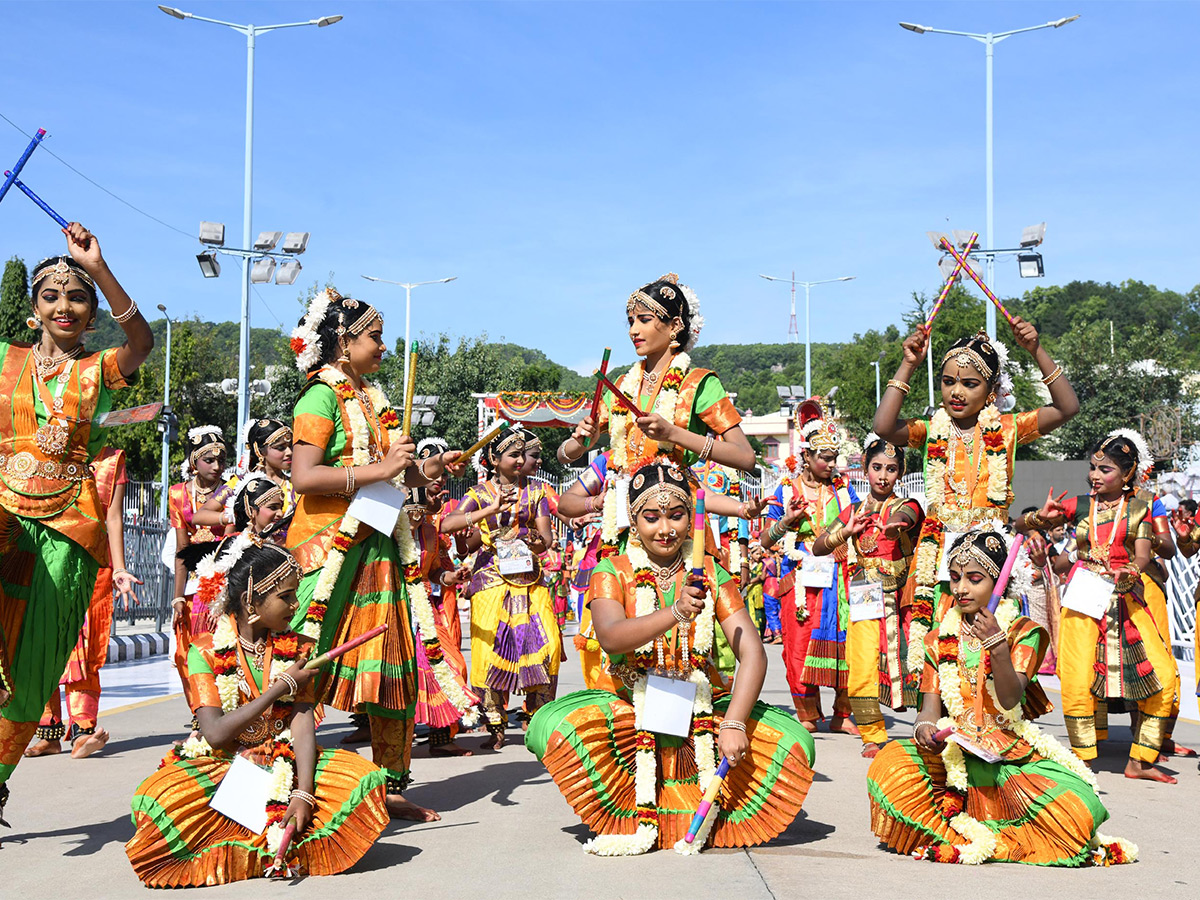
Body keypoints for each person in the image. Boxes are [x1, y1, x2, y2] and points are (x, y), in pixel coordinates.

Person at [528, 461, 816, 855]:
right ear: (633, 519)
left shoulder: (710, 572)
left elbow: (752, 651)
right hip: (632, 706)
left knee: (796, 743)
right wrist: (677, 612)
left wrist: (733, 722)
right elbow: (611, 638)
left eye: (677, 515)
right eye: (651, 517)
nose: (665, 529)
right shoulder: (612, 570)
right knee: (552, 725)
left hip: (699, 704)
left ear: (691, 519)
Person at [286, 288, 463, 821]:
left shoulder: (374, 397)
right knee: (300, 661)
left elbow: (396, 472)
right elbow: (303, 477)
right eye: (375, 337)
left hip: (383, 549)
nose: (384, 347)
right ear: (343, 342)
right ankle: (282, 777)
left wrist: (425, 470)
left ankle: (387, 785)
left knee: (395, 667)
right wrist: (381, 470)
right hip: (329, 549)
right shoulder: (317, 398)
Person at [0, 226, 153, 831]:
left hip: (68, 528)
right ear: (33, 306)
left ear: (91, 314)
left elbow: (140, 341)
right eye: (51, 295)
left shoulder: (97, 369)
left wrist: (102, 267)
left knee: (34, 669)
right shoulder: (5, 361)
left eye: (78, 297)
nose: (64, 306)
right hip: (3, 516)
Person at [126, 538, 388, 886]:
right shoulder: (203, 650)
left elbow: (302, 720)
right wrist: (282, 687)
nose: (296, 605)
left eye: (295, 594)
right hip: (224, 766)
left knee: (364, 781)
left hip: (286, 761)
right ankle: (263, 840)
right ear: (251, 601)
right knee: (158, 798)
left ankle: (273, 830)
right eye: (286, 596)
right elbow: (216, 733)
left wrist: (303, 793)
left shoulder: (300, 647)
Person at [867, 529, 1136, 866]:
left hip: (1007, 752)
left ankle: (990, 834)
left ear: (998, 583)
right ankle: (964, 830)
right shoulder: (939, 638)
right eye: (955, 578)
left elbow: (1009, 699)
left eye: (974, 578)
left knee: (1078, 809)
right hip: (955, 751)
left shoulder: (1024, 631)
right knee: (887, 767)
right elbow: (929, 709)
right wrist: (924, 731)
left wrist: (996, 644)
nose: (961, 588)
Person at [873, 322, 1078, 676]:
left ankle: (986, 720)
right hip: (939, 556)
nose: (957, 392)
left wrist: (1036, 351)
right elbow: (883, 426)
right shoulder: (931, 429)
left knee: (986, 640)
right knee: (939, 636)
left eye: (970, 384)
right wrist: (908, 364)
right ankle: (939, 718)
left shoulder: (1009, 428)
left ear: (992, 390)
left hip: (991, 553)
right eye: (948, 381)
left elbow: (1067, 407)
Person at [1022, 430, 1178, 782]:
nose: (1095, 475)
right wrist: (1037, 526)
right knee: (1076, 680)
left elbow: (1142, 555)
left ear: (1127, 475)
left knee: (1164, 677)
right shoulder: (1078, 505)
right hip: (1083, 601)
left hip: (1127, 599)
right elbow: (1029, 530)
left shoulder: (1138, 508)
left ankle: (1140, 760)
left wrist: (1131, 571)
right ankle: (1082, 758)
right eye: (1093, 467)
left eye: (1105, 469)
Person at [437, 427, 560, 748]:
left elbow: (546, 539)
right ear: (494, 459)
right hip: (491, 580)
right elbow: (448, 524)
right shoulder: (478, 493)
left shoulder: (536, 492)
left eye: (523, 454)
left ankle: (538, 719)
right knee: (492, 651)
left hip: (530, 579)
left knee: (545, 645)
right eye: (513, 454)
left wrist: (536, 541)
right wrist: (490, 510)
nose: (520, 460)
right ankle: (496, 725)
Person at [24, 447, 139, 759]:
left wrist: (120, 568)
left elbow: (113, 518)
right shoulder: (44, 452)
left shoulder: (112, 461)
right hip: (47, 562)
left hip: (93, 565)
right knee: (44, 645)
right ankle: (48, 733)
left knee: (83, 649)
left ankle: (83, 731)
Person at [812, 437, 923, 757]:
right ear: (865, 469)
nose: (883, 475)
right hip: (864, 596)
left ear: (900, 473)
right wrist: (845, 532)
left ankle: (926, 722)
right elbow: (819, 546)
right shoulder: (853, 511)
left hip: (900, 600)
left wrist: (894, 527)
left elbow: (909, 518)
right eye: (877, 468)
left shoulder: (905, 505)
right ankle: (872, 734)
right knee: (861, 664)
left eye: (891, 469)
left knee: (911, 661)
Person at [760, 398, 859, 732]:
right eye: (824, 458)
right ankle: (808, 715)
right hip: (802, 581)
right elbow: (764, 540)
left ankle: (842, 714)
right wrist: (787, 521)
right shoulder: (787, 490)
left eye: (834, 458)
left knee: (845, 643)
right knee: (800, 645)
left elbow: (859, 522)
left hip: (841, 578)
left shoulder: (844, 491)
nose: (831, 465)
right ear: (806, 455)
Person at [407, 438, 476, 757]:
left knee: (452, 665)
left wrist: (452, 577)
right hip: (393, 606)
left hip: (425, 607)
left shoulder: (431, 531)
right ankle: (397, 735)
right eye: (433, 489)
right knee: (399, 675)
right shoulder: (391, 527)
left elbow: (436, 572)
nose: (441, 492)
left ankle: (440, 737)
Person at [168, 426, 229, 705]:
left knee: (219, 647)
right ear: (194, 462)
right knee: (188, 650)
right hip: (193, 583)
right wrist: (178, 596)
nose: (217, 467)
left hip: (224, 581)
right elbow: (182, 549)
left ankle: (223, 707)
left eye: (222, 460)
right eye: (209, 460)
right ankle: (200, 712)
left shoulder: (231, 490)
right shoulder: (178, 494)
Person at [194, 417, 295, 539]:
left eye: (290, 446)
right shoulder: (239, 483)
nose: (289, 452)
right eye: (280, 447)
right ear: (259, 450)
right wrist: (234, 516)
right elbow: (199, 516)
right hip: (248, 553)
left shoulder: (296, 486)